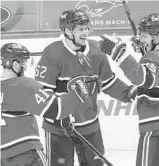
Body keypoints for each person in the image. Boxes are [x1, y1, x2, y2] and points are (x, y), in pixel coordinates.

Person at [34, 9, 136, 166]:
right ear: (67, 31)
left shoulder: (96, 51)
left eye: (87, 28)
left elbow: (108, 82)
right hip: (59, 129)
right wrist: (56, 115)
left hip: (89, 124)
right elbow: (42, 92)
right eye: (81, 29)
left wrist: (128, 93)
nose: (86, 32)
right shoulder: (52, 53)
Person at [0, 43, 90, 166]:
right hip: (25, 153)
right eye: (24, 62)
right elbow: (56, 109)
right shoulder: (23, 85)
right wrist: (78, 93)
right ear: (15, 65)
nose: (26, 66)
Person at [100, 13, 159, 166]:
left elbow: (143, 77)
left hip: (156, 131)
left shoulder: (154, 58)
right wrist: (147, 52)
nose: (141, 40)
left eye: (144, 36)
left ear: (157, 37)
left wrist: (120, 54)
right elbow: (158, 81)